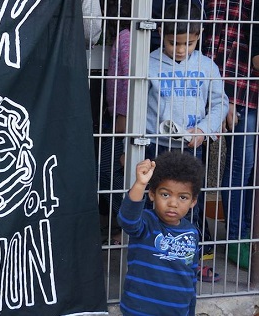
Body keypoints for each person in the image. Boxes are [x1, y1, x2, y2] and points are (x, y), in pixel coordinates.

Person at [146, 1, 228, 280]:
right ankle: (154, 262)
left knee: (187, 207)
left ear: (199, 35)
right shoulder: (148, 64)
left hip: (191, 150)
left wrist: (203, 130)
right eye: (173, 42)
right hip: (157, 148)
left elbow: (220, 104)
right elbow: (137, 108)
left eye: (189, 43)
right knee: (157, 206)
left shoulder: (207, 66)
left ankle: (191, 264)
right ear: (161, 34)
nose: (181, 50)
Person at [202, 0, 259, 270]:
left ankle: (246, 235)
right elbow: (218, 46)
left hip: (250, 91)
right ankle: (237, 237)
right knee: (241, 166)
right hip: (240, 92)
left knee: (250, 169)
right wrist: (224, 98)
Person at [118, 151, 203, 315]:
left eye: (183, 197)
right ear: (152, 194)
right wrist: (140, 184)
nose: (173, 203)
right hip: (139, 310)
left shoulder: (191, 232)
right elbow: (127, 221)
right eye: (165, 194)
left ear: (193, 201)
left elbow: (191, 274)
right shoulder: (146, 223)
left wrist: (190, 310)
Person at [98, 0, 132, 246]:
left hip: (126, 120)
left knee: (108, 171)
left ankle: (131, 223)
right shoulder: (124, 36)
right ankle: (128, 222)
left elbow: (129, 79)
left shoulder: (126, 36)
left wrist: (122, 115)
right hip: (119, 117)